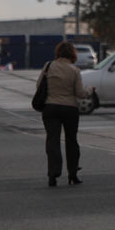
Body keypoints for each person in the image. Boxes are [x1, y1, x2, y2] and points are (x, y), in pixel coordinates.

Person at [37, 41, 94, 187]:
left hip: (50, 108)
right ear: (72, 54)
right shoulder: (74, 70)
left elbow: (39, 85)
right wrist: (90, 91)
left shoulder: (48, 66)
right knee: (71, 141)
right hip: (69, 109)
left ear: (58, 52)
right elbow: (80, 93)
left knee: (52, 141)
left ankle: (53, 174)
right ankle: (73, 174)